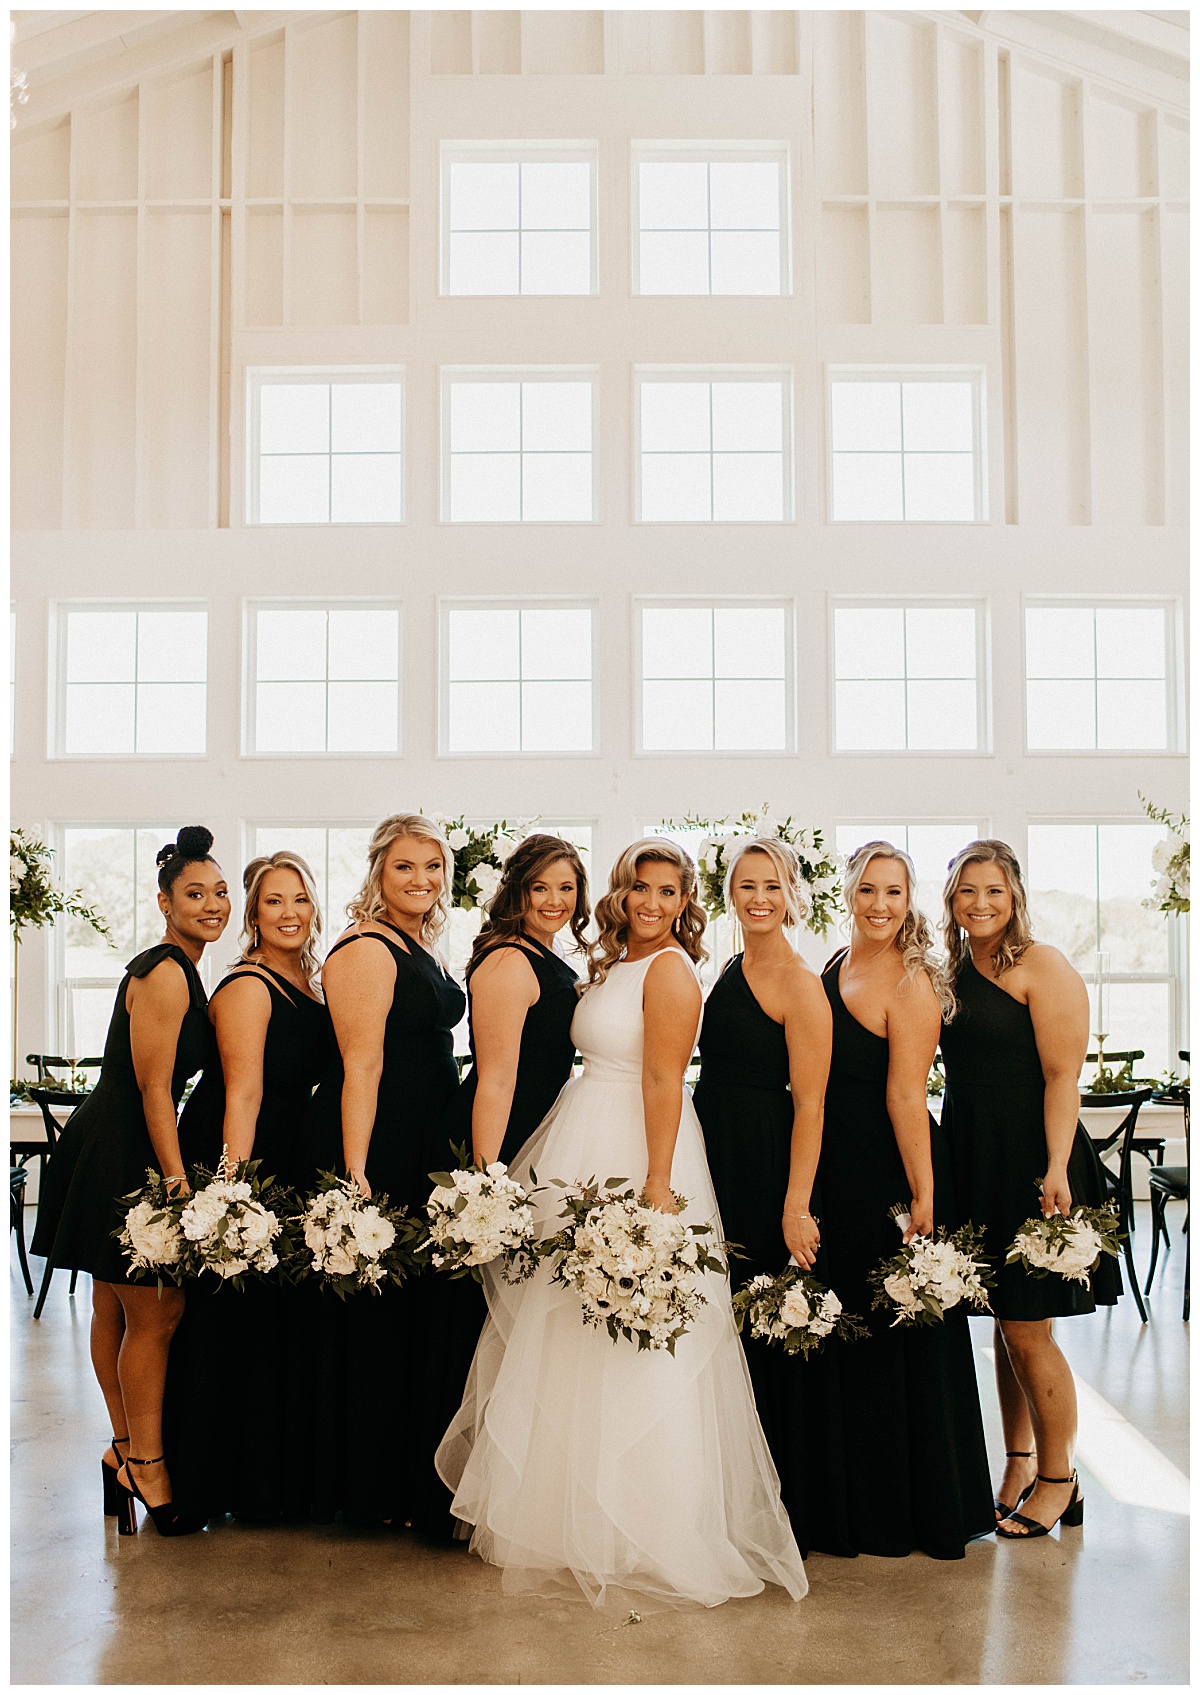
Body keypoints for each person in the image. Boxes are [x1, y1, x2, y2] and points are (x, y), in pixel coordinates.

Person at [437, 839, 807, 1610]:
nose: (652, 901)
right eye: (641, 886)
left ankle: (642, 1520)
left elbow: (665, 1081)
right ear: (621, 892)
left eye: (669, 891)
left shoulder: (670, 971)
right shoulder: (610, 963)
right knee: (567, 1324)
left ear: (684, 903)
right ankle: (563, 1512)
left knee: (630, 1327)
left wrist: (657, 1187)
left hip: (640, 1149)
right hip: (579, 1140)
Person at [33, 826, 230, 1536]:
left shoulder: (186, 963)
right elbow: (154, 1088)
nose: (212, 903)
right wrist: (176, 1182)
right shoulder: (166, 970)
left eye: (218, 891)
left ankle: (123, 1453)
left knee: (114, 1308)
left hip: (112, 1140)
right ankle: (146, 1461)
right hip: (121, 1148)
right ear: (164, 901)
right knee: (158, 1310)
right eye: (194, 893)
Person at [809, 841, 994, 1559]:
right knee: (851, 1326)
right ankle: (849, 1500)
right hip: (838, 1166)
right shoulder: (833, 966)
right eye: (867, 890)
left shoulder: (912, 979)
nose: (880, 904)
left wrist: (925, 1193)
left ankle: (906, 1507)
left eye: (893, 891)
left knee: (900, 1331)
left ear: (908, 898)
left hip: (894, 1165)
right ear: (847, 894)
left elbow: (907, 1096)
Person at [939, 839, 1119, 1541]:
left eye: (993, 891)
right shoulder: (955, 968)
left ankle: (1059, 1479)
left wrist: (1054, 1167)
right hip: (974, 1159)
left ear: (1015, 897)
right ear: (951, 900)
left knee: (1028, 1328)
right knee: (1002, 1329)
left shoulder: (1040, 965)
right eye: (966, 891)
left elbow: (1061, 1077)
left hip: (1036, 1163)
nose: (979, 903)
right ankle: (1017, 1466)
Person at [300, 813, 467, 1534]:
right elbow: (360, 1064)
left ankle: (399, 1479)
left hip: (419, 1133)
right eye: (405, 866)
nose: (421, 880)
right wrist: (357, 1171)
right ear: (377, 871)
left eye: (433, 867)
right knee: (373, 1315)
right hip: (381, 1141)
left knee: (402, 1316)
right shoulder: (367, 947)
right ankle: (363, 1487)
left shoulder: (414, 942)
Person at [164, 852, 335, 1522]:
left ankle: (266, 1482)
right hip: (244, 1154)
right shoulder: (246, 985)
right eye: (273, 901)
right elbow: (242, 1094)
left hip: (288, 1154)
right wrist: (230, 1196)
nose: (289, 912)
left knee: (268, 1327)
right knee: (224, 1322)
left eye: (300, 899)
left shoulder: (310, 980)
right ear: (254, 913)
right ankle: (204, 1483)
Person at [691, 836, 836, 1552]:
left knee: (765, 1319)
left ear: (791, 893)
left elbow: (811, 1103)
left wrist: (796, 1203)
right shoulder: (730, 965)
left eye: (771, 886)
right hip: (711, 1145)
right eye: (746, 885)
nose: (758, 897)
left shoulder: (800, 981)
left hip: (764, 1154)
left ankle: (782, 1505)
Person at [444, 833, 589, 1168]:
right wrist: (486, 1178)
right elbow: (495, 1081)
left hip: (536, 1126)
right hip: (498, 1135)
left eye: (566, 888)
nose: (554, 900)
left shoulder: (548, 949)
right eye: (540, 888)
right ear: (518, 890)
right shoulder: (508, 960)